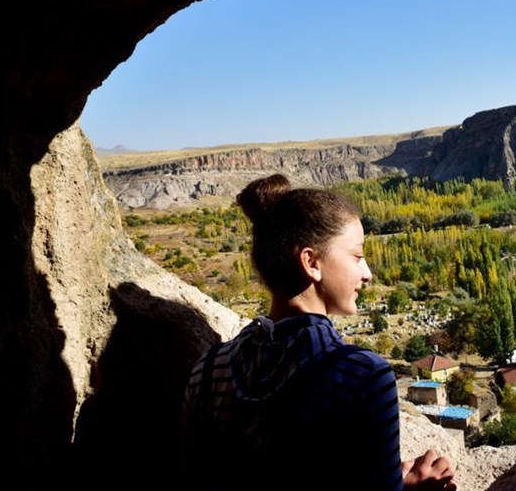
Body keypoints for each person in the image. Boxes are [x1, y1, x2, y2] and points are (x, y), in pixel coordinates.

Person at [181, 174, 457, 490]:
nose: (367, 273)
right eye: (357, 256)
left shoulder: (206, 369)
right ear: (311, 262)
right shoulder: (363, 376)